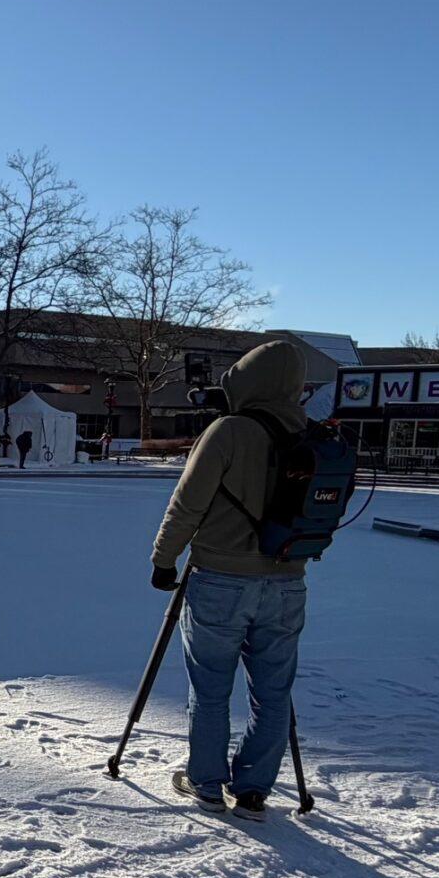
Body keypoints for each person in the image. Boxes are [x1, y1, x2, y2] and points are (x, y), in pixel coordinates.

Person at [147, 339, 313, 818]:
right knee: (273, 692)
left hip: (220, 578)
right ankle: (255, 790)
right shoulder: (311, 434)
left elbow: (188, 504)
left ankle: (207, 783)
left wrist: (164, 559)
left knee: (212, 687)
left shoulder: (229, 432)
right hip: (287, 581)